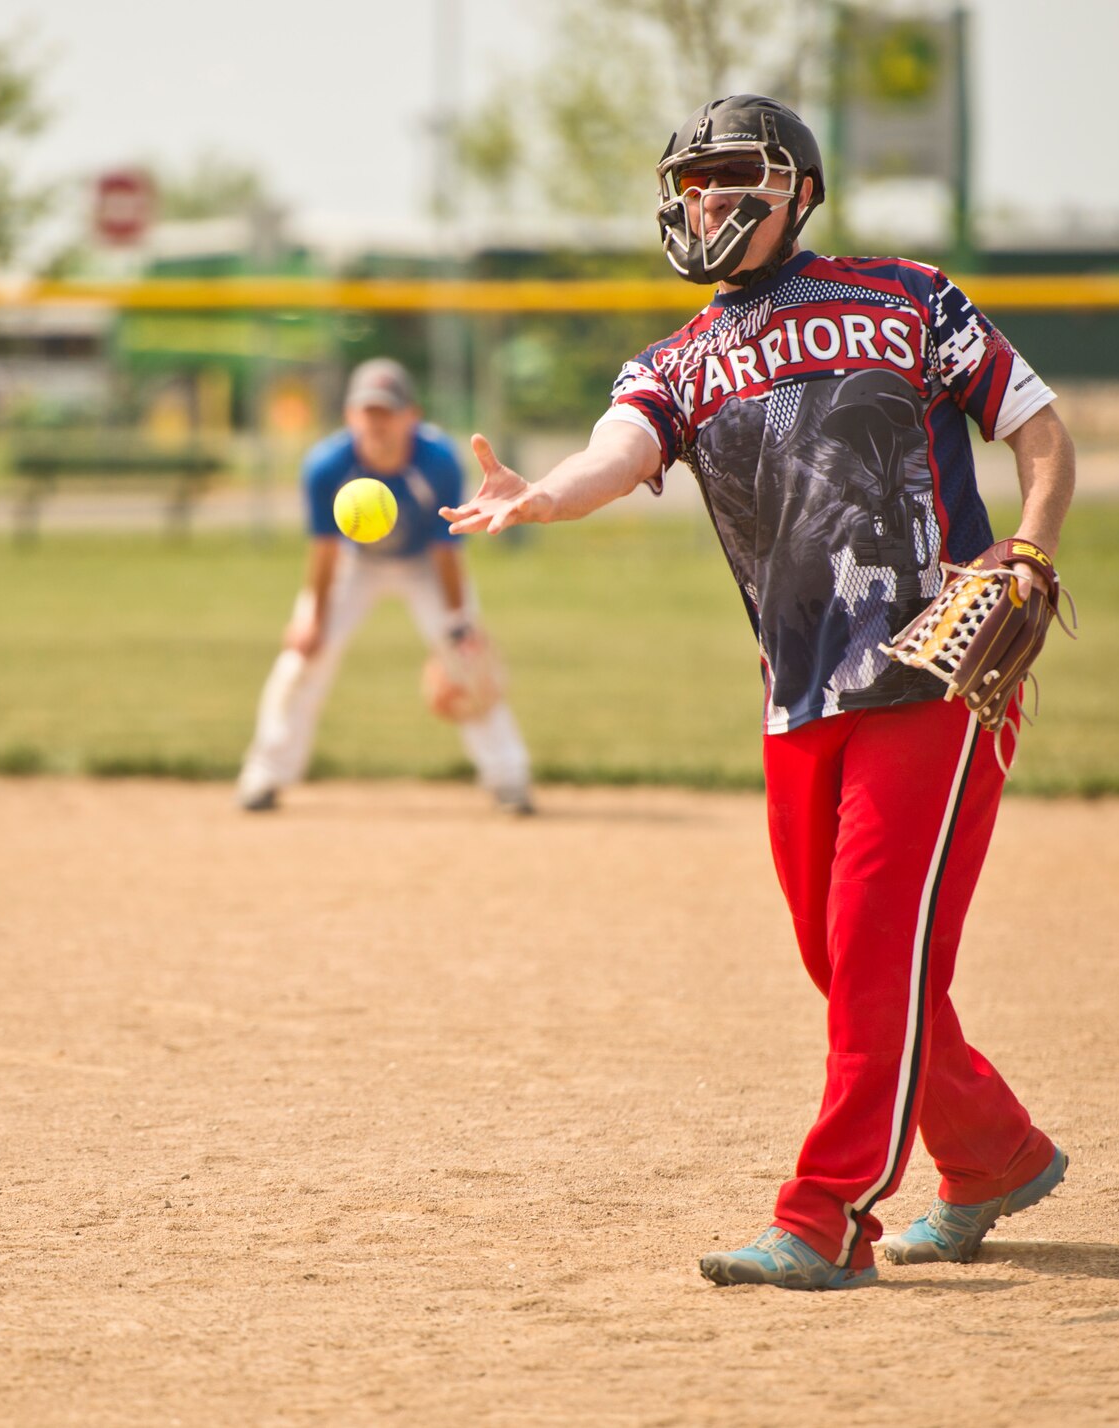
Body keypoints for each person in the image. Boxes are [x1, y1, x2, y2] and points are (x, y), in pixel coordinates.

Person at [443, 95, 1076, 1289]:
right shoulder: (674, 358)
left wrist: (1032, 547)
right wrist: (544, 497)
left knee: (875, 952)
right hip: (799, 691)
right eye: (693, 181)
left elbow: (1038, 430)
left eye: (737, 177)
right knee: (837, 959)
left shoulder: (907, 298)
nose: (710, 200)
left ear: (796, 192)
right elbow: (616, 452)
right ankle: (991, 1154)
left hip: (932, 668)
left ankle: (825, 1216)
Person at [237, 357, 534, 815]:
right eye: (367, 411)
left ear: (411, 415)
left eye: (387, 411)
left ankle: (508, 779)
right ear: (349, 416)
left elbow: (447, 552)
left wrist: (458, 625)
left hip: (424, 564)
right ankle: (265, 775)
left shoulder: (437, 461)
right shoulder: (326, 465)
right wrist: (313, 623)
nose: (377, 422)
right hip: (355, 564)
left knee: (468, 665)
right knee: (301, 660)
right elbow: (324, 551)